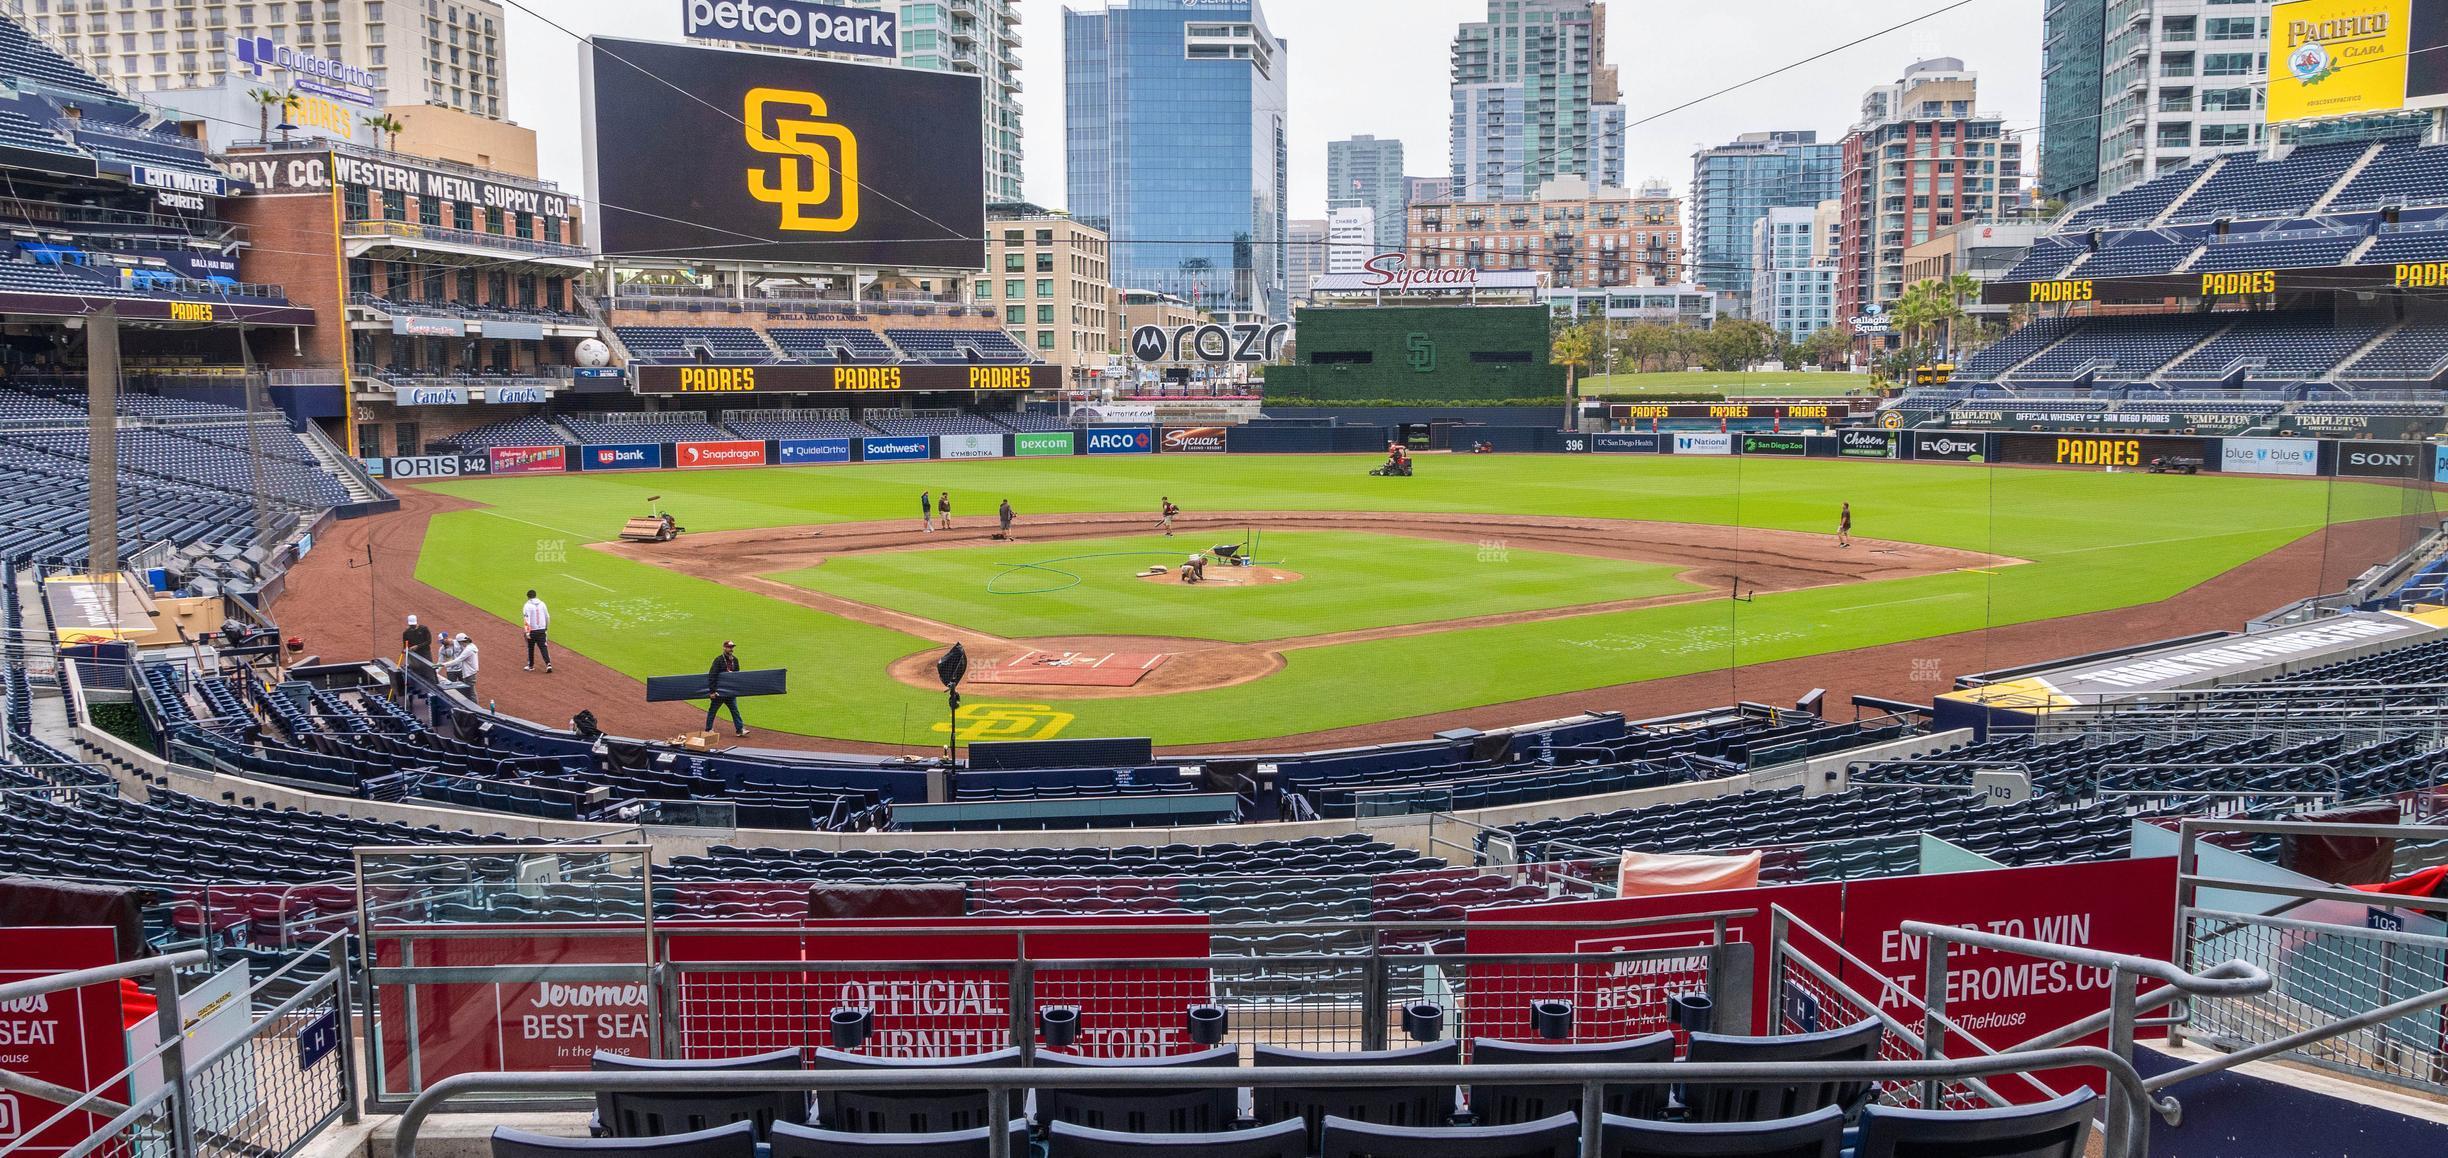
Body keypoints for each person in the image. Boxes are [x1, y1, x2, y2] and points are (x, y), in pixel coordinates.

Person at [705, 640, 747, 737]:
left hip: (730, 692)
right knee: (713, 710)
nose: (731, 649)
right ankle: (708, 729)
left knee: (735, 710)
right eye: (729, 647)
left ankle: (739, 729)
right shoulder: (718, 660)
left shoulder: (735, 660)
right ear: (724, 648)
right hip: (719, 692)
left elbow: (737, 676)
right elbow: (712, 675)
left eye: (732, 647)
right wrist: (712, 691)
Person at [522, 589, 552, 673]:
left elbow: (526, 619)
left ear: (528, 597)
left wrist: (527, 632)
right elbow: (547, 617)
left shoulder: (527, 606)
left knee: (530, 648)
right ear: (535, 595)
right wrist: (546, 627)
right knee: (543, 647)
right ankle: (548, 663)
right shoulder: (542, 604)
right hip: (542, 629)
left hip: (532, 630)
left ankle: (530, 665)